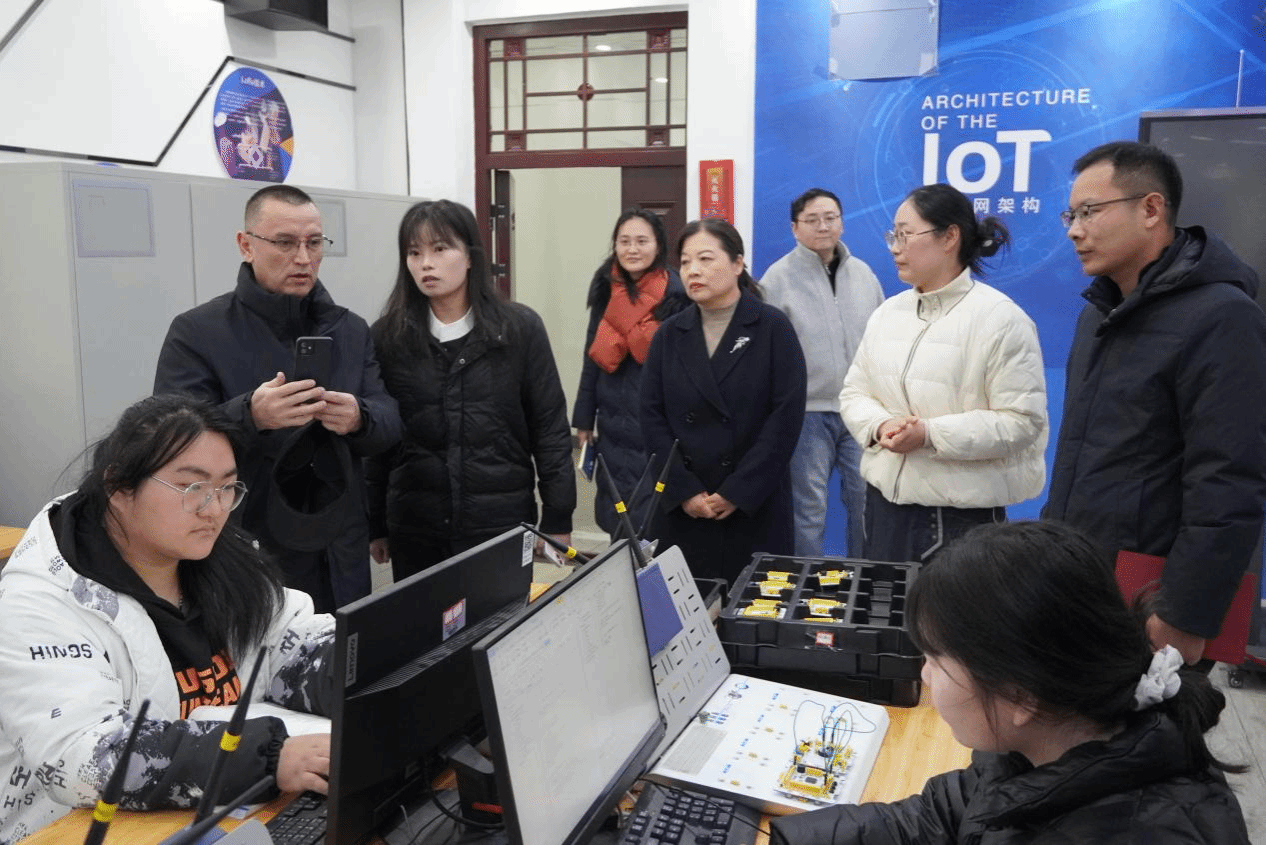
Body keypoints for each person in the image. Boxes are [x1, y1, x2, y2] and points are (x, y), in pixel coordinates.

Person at [769, 520, 1250, 844]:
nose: (924, 674)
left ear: (1019, 696)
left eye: (935, 659)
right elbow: (936, 819)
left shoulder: (1131, 827)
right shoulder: (1044, 744)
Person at [0, 395, 335, 844]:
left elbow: (286, 643)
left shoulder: (216, 557)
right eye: (191, 487)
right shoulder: (38, 604)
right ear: (119, 488)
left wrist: (351, 671)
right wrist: (268, 758)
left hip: (222, 814)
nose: (213, 509)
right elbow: (85, 754)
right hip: (80, 830)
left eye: (227, 488)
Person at [1043, 141, 1266, 666]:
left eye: (1089, 212)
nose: (1074, 230)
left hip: (1152, 599)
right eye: (1070, 216)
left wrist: (1185, 613)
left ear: (1150, 209)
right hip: (1081, 584)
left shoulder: (1222, 317)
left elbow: (1228, 480)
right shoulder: (1098, 315)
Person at [154, 184, 402, 613]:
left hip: (338, 545)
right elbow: (170, 438)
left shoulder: (350, 329)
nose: (303, 258)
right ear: (246, 245)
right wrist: (250, 415)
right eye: (285, 243)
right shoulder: (198, 332)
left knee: (343, 647)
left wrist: (359, 417)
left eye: (314, 243)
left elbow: (390, 422)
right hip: (247, 544)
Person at [367, 199, 575, 581]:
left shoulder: (519, 329)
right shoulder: (388, 337)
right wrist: (375, 523)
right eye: (414, 252)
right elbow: (377, 442)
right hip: (417, 526)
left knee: (500, 620)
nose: (426, 264)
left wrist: (558, 517)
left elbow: (549, 430)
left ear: (470, 257)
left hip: (500, 524)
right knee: (424, 620)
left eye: (440, 248)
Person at [839, 183, 1046, 563]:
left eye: (905, 234)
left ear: (950, 237)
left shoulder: (1001, 319)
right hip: (882, 508)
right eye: (893, 235)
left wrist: (929, 435)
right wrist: (881, 425)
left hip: (957, 520)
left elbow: (1022, 422)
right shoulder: (888, 313)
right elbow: (854, 392)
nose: (895, 247)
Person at [640, 218, 806, 584]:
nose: (693, 270)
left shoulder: (772, 327)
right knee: (684, 609)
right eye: (685, 262)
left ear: (737, 263)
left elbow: (785, 419)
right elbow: (651, 417)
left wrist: (737, 491)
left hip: (753, 505)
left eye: (705, 259)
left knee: (752, 609)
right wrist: (684, 491)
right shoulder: (669, 334)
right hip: (686, 509)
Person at [762, 188, 884, 557]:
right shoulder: (777, 278)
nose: (823, 226)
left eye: (830, 218)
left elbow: (882, 337)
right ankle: (809, 585)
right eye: (812, 220)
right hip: (806, 412)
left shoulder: (863, 275)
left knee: (865, 501)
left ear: (842, 223)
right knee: (809, 509)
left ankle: (863, 579)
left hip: (860, 411)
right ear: (795, 228)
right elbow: (766, 350)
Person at [572, 208, 687, 539]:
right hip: (611, 419)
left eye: (641, 241)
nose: (632, 249)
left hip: (654, 418)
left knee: (652, 514)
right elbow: (592, 357)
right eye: (624, 242)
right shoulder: (606, 286)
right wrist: (584, 420)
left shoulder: (676, 293)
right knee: (617, 508)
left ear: (658, 245)